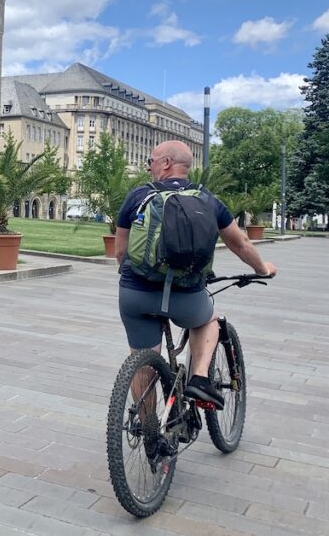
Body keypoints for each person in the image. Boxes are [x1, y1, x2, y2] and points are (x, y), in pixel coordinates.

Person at [116, 140, 277, 409]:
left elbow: (121, 253)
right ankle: (200, 378)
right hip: (186, 296)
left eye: (151, 161)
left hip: (137, 294)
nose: (148, 167)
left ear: (166, 163)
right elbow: (240, 244)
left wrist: (137, 278)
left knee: (143, 362)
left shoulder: (138, 196)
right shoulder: (209, 200)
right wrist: (263, 269)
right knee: (208, 319)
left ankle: (150, 432)